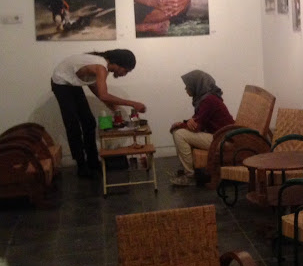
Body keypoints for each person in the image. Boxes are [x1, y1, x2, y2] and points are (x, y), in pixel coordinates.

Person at [51, 50, 146, 178]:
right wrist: (133, 103)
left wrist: (115, 109)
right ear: (119, 64)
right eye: (126, 70)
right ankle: (82, 167)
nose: (125, 74)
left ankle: (93, 162)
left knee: (89, 122)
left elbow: (99, 93)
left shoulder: (100, 66)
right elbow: (104, 95)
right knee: (73, 126)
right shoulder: (101, 67)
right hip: (60, 83)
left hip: (72, 82)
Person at [169, 70, 234, 186]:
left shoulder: (208, 100)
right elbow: (197, 120)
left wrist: (179, 125)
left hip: (224, 140)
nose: (186, 89)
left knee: (179, 134)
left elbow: (196, 126)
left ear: (196, 85)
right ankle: (187, 171)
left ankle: (189, 176)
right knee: (179, 131)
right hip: (220, 136)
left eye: (188, 86)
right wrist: (187, 122)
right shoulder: (206, 98)